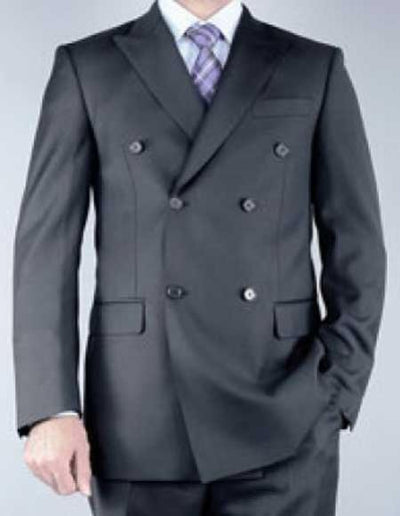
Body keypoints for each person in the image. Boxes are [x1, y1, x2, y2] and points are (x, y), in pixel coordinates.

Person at [13, 0, 387, 514]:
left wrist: (337, 389)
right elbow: (46, 247)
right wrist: (50, 408)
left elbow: (358, 243)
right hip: (138, 415)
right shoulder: (89, 66)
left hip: (285, 411)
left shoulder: (312, 66)